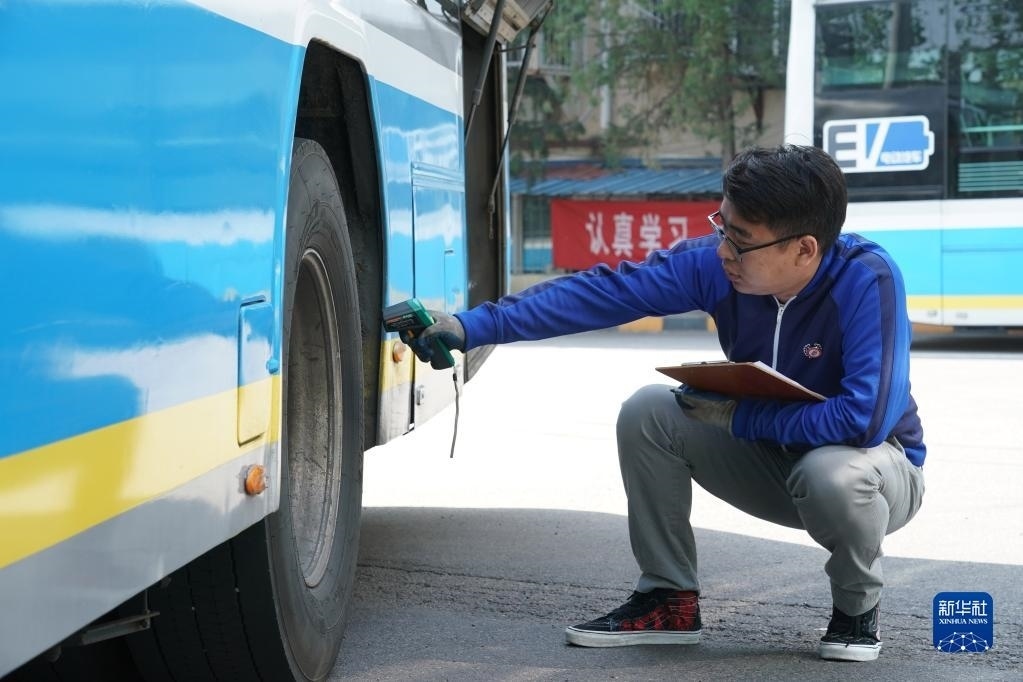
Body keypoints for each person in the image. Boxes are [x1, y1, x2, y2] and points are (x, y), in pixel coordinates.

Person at [402, 143, 925, 662]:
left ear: (804, 249)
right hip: (774, 461)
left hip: (874, 475)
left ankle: (856, 610)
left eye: (741, 240)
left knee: (832, 473)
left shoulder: (866, 278)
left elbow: (863, 420)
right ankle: (669, 600)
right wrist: (473, 326)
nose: (723, 251)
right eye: (723, 228)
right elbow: (604, 293)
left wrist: (740, 416)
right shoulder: (717, 267)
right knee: (650, 412)